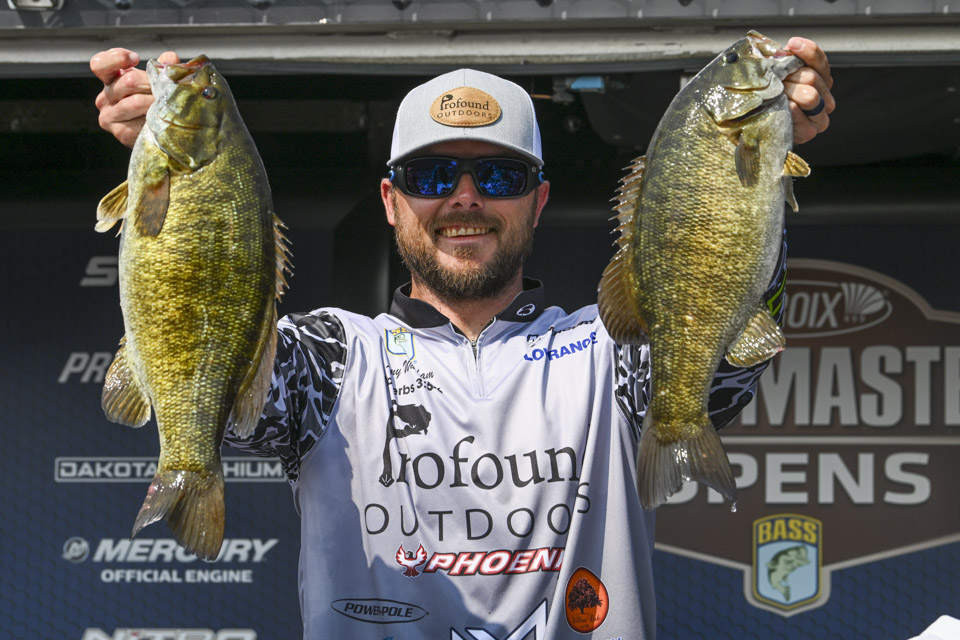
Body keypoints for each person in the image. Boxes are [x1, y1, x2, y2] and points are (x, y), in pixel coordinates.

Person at [90, 40, 834, 639]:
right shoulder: (328, 357)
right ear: (391, 201)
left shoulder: (610, 351)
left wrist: (755, 172)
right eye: (432, 174)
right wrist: (169, 170)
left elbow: (723, 362)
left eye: (500, 176)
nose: (465, 198)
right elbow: (220, 390)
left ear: (538, 201)